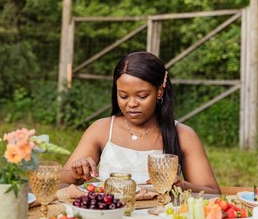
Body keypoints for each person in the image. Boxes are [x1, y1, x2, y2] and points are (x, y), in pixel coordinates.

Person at [61, 51, 220, 194]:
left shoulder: (183, 135)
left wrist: (181, 185)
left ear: (159, 91)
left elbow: (212, 192)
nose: (131, 104)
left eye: (142, 96)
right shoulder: (101, 129)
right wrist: (76, 173)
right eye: (123, 96)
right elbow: (61, 180)